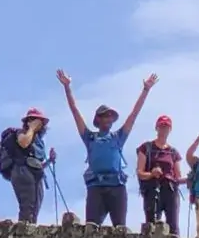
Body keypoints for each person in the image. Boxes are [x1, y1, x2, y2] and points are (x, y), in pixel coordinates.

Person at [58, 69, 156, 228]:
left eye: (110, 116)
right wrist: (67, 88)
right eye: (104, 116)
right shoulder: (90, 138)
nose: (108, 119)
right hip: (95, 186)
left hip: (116, 186)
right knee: (91, 228)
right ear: (98, 119)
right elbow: (75, 111)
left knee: (120, 229)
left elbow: (134, 114)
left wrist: (146, 90)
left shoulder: (118, 137)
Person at [0, 108, 53, 224]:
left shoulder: (38, 140)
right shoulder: (21, 133)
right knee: (27, 205)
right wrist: (31, 128)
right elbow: (23, 143)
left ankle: (30, 229)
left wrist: (50, 160)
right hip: (22, 171)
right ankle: (24, 232)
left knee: (35, 207)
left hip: (35, 173)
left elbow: (37, 163)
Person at [137, 115, 184, 235]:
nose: (164, 129)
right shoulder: (146, 148)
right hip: (152, 188)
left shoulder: (173, 152)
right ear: (156, 128)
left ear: (170, 129)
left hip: (170, 189)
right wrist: (152, 173)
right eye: (162, 126)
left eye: (166, 127)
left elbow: (178, 177)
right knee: (151, 224)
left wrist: (191, 178)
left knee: (173, 226)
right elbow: (140, 172)